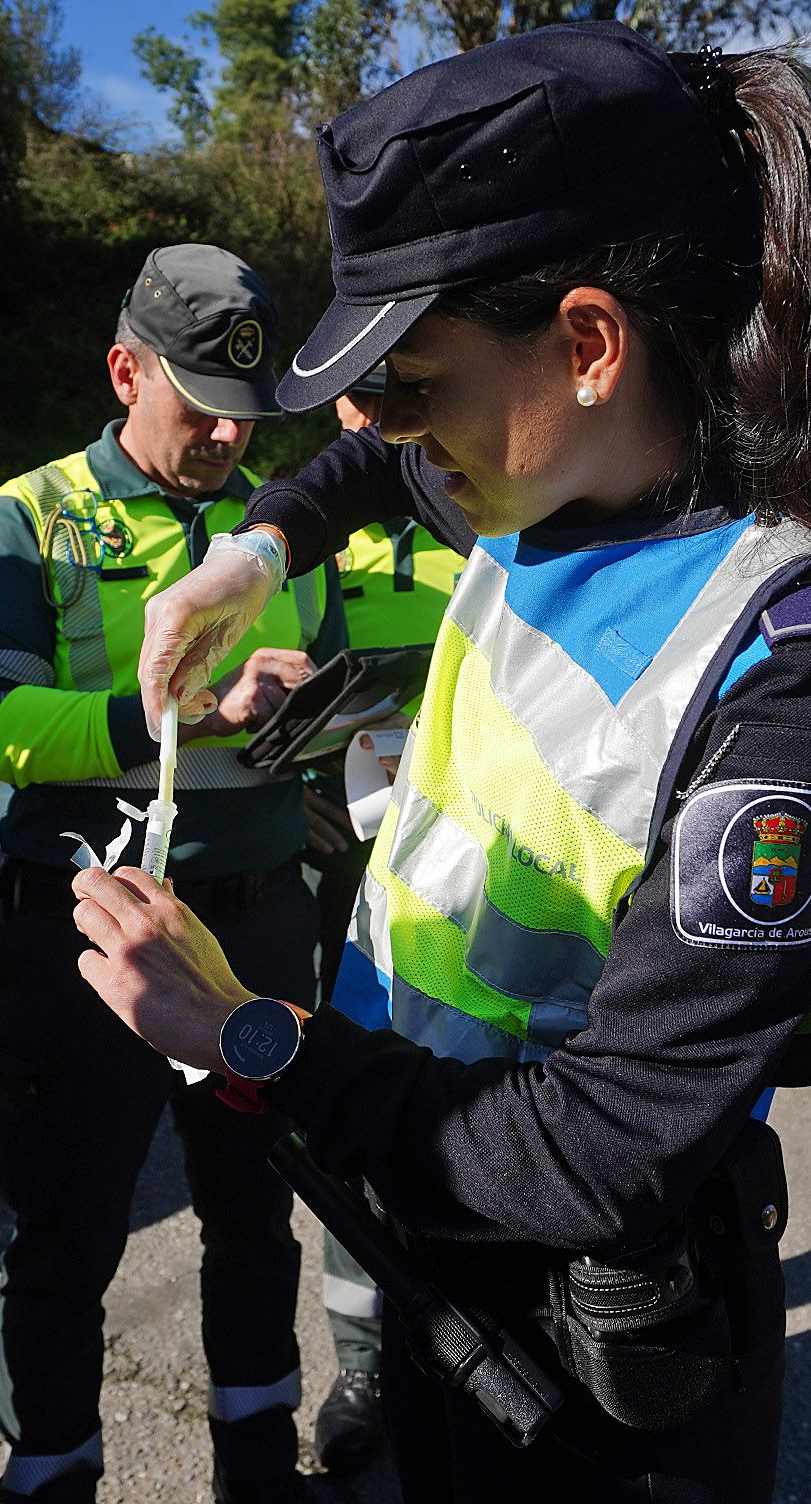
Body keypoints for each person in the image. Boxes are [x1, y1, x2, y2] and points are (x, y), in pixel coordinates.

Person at [67, 26, 811, 1498]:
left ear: (590, 344)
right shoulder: (528, 482)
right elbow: (360, 468)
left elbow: (604, 1150)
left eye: (410, 380)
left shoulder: (788, 664)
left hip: (591, 1318)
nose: (387, 427)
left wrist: (243, 1031)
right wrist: (252, 559)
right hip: (428, 1210)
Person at [0, 244, 340, 1504]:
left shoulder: (285, 525)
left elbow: (313, 686)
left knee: (254, 1217)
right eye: (197, 406)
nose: (227, 435)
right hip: (83, 936)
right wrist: (177, 718)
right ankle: (51, 1471)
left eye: (246, 412)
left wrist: (313, 727)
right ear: (125, 369)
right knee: (65, 1236)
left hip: (260, 925)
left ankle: (256, 1465)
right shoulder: (31, 512)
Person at [304, 357, 461, 1476]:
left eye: (385, 389)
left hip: (481, 855)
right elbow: (283, 687)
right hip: (347, 865)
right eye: (349, 402)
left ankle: (476, 1341)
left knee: (470, 1106)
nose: (366, 420)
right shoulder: (324, 519)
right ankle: (362, 1359)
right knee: (353, 1117)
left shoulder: (504, 498)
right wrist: (297, 780)